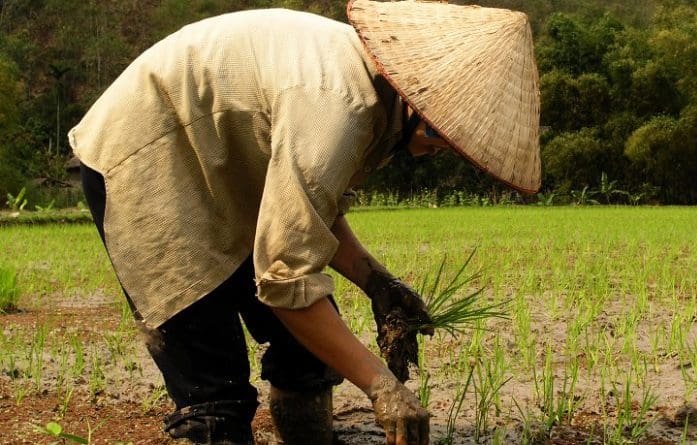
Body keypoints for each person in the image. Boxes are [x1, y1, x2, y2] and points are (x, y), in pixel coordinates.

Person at [68, 0, 540, 444]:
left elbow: (311, 213)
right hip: (148, 161)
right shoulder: (341, 109)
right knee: (214, 391)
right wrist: (383, 387)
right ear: (418, 96)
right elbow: (285, 276)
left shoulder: (369, 92)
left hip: (224, 174)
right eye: (441, 131)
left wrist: (377, 281)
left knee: (309, 350)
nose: (443, 147)